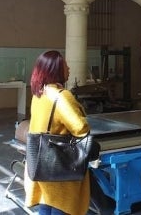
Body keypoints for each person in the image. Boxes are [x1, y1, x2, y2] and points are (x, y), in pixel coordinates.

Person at [25, 50, 91, 215]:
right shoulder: (61, 96)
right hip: (58, 163)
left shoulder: (39, 94)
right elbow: (80, 128)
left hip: (40, 162)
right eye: (65, 65)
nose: (68, 69)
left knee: (46, 203)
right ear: (55, 70)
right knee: (62, 205)